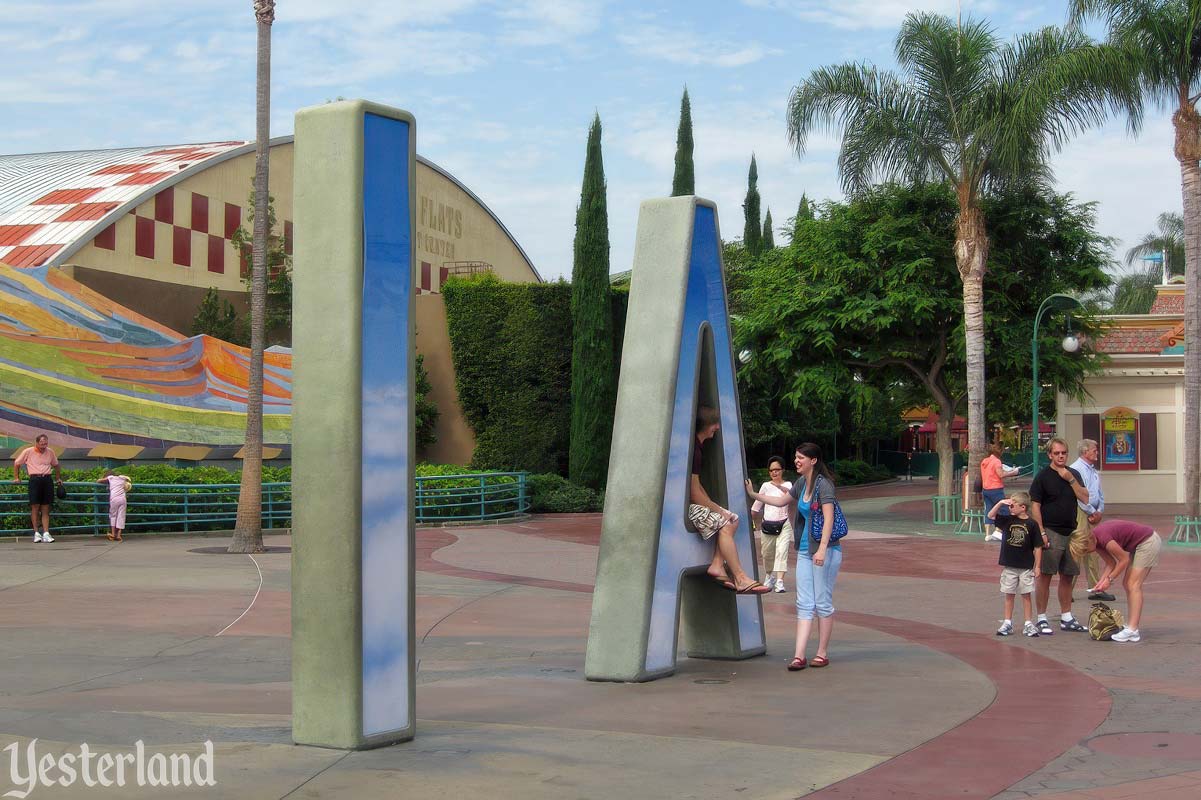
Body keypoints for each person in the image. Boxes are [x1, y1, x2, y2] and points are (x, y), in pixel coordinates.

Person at [747, 442, 841, 670]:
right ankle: (799, 655)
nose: (797, 461)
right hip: (805, 551)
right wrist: (752, 494)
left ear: (813, 460)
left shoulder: (824, 485)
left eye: (801, 458)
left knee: (822, 602)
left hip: (825, 551)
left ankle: (821, 652)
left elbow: (829, 519)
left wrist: (821, 548)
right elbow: (781, 501)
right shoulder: (801, 483)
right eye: (796, 457)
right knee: (804, 602)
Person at [690, 406, 769, 594]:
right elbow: (694, 492)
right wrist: (719, 511)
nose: (717, 427)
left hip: (691, 503)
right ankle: (740, 577)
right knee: (727, 523)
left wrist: (719, 509)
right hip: (686, 507)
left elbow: (697, 486)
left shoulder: (696, 448)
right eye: (714, 423)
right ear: (706, 426)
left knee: (732, 519)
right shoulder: (694, 450)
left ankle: (717, 564)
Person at [1028, 437, 1092, 635]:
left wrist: (1070, 479)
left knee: (1068, 575)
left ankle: (1066, 616)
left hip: (1071, 532)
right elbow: (1035, 505)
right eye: (1056, 453)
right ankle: (1041, 618)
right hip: (1051, 531)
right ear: (1050, 455)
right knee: (1046, 575)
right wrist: (1041, 532)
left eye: (1063, 453)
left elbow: (1084, 497)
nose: (1061, 456)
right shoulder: (1042, 477)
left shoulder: (1073, 474)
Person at [1074, 520, 1161, 643]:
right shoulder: (1095, 542)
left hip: (1148, 541)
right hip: (1138, 545)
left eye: (1085, 550)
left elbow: (1123, 560)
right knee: (1127, 584)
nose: (1086, 553)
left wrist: (1109, 580)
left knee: (1133, 585)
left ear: (1088, 540)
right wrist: (1100, 583)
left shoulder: (1103, 537)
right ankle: (1132, 626)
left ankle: (1133, 630)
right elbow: (1110, 563)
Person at [986, 492, 1043, 638]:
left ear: (1022, 507)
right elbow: (991, 516)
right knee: (1009, 594)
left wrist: (1037, 566)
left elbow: (1037, 546)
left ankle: (1028, 623)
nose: (1010, 507)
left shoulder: (1032, 524)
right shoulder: (1008, 520)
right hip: (1009, 565)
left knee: (1026, 594)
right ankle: (1007, 622)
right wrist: (1000, 503)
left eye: (1013, 505)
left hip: (1026, 566)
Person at [1067, 439, 1110, 601]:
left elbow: (1099, 493)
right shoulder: (1076, 469)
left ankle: (1096, 588)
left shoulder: (1093, 470)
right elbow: (1078, 495)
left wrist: (1099, 510)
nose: (1096, 452)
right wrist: (1091, 511)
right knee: (1077, 550)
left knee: (1094, 551)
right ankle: (1067, 590)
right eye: (1094, 450)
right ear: (1085, 452)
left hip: (1093, 514)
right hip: (1081, 512)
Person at [751, 456, 793, 593]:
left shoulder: (788, 485)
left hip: (784, 524)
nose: (774, 473)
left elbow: (787, 497)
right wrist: (750, 520)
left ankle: (780, 581)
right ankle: (769, 576)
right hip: (767, 525)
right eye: (771, 470)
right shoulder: (765, 486)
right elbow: (756, 506)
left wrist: (777, 485)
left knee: (782, 551)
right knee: (767, 554)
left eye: (777, 470)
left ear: (783, 470)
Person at [12, 434, 63, 544]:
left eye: (45, 444)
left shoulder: (50, 452)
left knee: (45, 507)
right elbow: (17, 463)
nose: (44, 446)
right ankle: (36, 533)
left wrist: (58, 478)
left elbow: (56, 465)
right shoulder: (28, 451)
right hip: (34, 479)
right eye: (42, 444)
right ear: (37, 443)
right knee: (35, 506)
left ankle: (46, 533)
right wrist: (16, 477)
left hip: (47, 479)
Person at [981, 443, 1019, 542]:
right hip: (996, 489)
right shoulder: (997, 461)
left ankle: (987, 534)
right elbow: (1001, 474)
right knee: (1004, 509)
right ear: (1000, 451)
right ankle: (998, 531)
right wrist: (1014, 472)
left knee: (989, 510)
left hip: (985, 489)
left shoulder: (985, 461)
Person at [97, 470, 131, 542]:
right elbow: (128, 481)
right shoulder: (122, 478)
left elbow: (99, 481)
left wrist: (105, 480)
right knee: (121, 516)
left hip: (114, 499)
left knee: (113, 516)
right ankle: (118, 535)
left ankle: (113, 534)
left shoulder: (110, 478)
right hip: (123, 499)